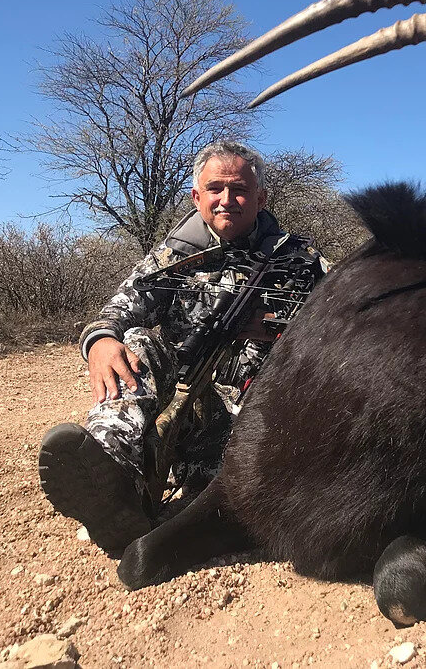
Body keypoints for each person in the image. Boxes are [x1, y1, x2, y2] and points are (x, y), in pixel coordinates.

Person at [38, 141, 328, 554]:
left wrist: (282, 328)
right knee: (137, 342)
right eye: (215, 189)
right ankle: (112, 474)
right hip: (191, 402)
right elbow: (117, 311)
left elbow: (344, 326)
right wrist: (101, 341)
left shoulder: (302, 258)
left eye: (240, 189)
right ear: (197, 196)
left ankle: (204, 489)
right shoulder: (176, 254)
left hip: (266, 410)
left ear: (261, 198)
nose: (227, 199)